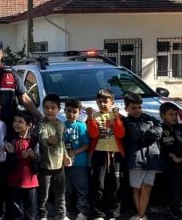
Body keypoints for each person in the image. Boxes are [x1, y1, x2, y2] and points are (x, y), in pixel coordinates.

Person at [122, 93, 164, 220]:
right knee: (136, 188)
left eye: (139, 107)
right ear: (126, 109)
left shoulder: (150, 118)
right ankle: (141, 215)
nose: (137, 110)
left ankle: (140, 216)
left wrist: (144, 130)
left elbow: (158, 133)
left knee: (147, 187)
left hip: (151, 158)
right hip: (135, 159)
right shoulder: (126, 120)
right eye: (133, 108)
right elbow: (135, 132)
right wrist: (147, 127)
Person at [86, 89, 125, 220]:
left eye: (105, 101)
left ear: (112, 102)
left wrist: (117, 118)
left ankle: (113, 213)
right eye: (100, 101)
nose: (102, 104)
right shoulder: (94, 115)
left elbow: (120, 134)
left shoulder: (117, 115)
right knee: (98, 184)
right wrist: (91, 118)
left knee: (115, 184)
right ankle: (98, 213)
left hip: (115, 154)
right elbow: (93, 134)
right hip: (99, 153)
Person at [37, 93, 71, 220]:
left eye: (53, 107)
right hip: (45, 165)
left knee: (60, 192)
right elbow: (42, 137)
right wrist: (49, 141)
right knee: (43, 194)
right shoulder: (42, 124)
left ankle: (61, 214)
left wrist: (66, 157)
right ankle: (42, 215)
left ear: (58, 109)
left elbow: (62, 143)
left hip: (59, 165)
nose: (49, 110)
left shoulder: (61, 125)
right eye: (46, 107)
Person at [159, 102, 182, 220]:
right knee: (174, 191)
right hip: (170, 166)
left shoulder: (180, 128)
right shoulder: (160, 129)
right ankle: (177, 213)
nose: (174, 117)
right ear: (163, 115)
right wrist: (171, 156)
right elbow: (161, 148)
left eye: (175, 114)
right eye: (170, 114)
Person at [4, 111, 39, 220]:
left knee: (30, 207)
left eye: (20, 122)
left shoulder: (34, 140)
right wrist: (19, 155)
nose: (16, 124)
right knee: (16, 208)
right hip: (14, 179)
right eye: (15, 121)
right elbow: (8, 158)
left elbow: (39, 158)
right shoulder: (10, 139)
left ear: (29, 125)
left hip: (31, 180)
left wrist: (33, 155)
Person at [63, 98, 90, 220]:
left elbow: (86, 144)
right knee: (66, 189)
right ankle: (64, 211)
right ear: (64, 111)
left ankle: (82, 212)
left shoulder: (81, 126)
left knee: (82, 189)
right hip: (65, 163)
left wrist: (74, 152)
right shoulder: (61, 126)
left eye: (75, 111)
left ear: (79, 113)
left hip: (80, 163)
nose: (71, 114)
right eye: (69, 111)